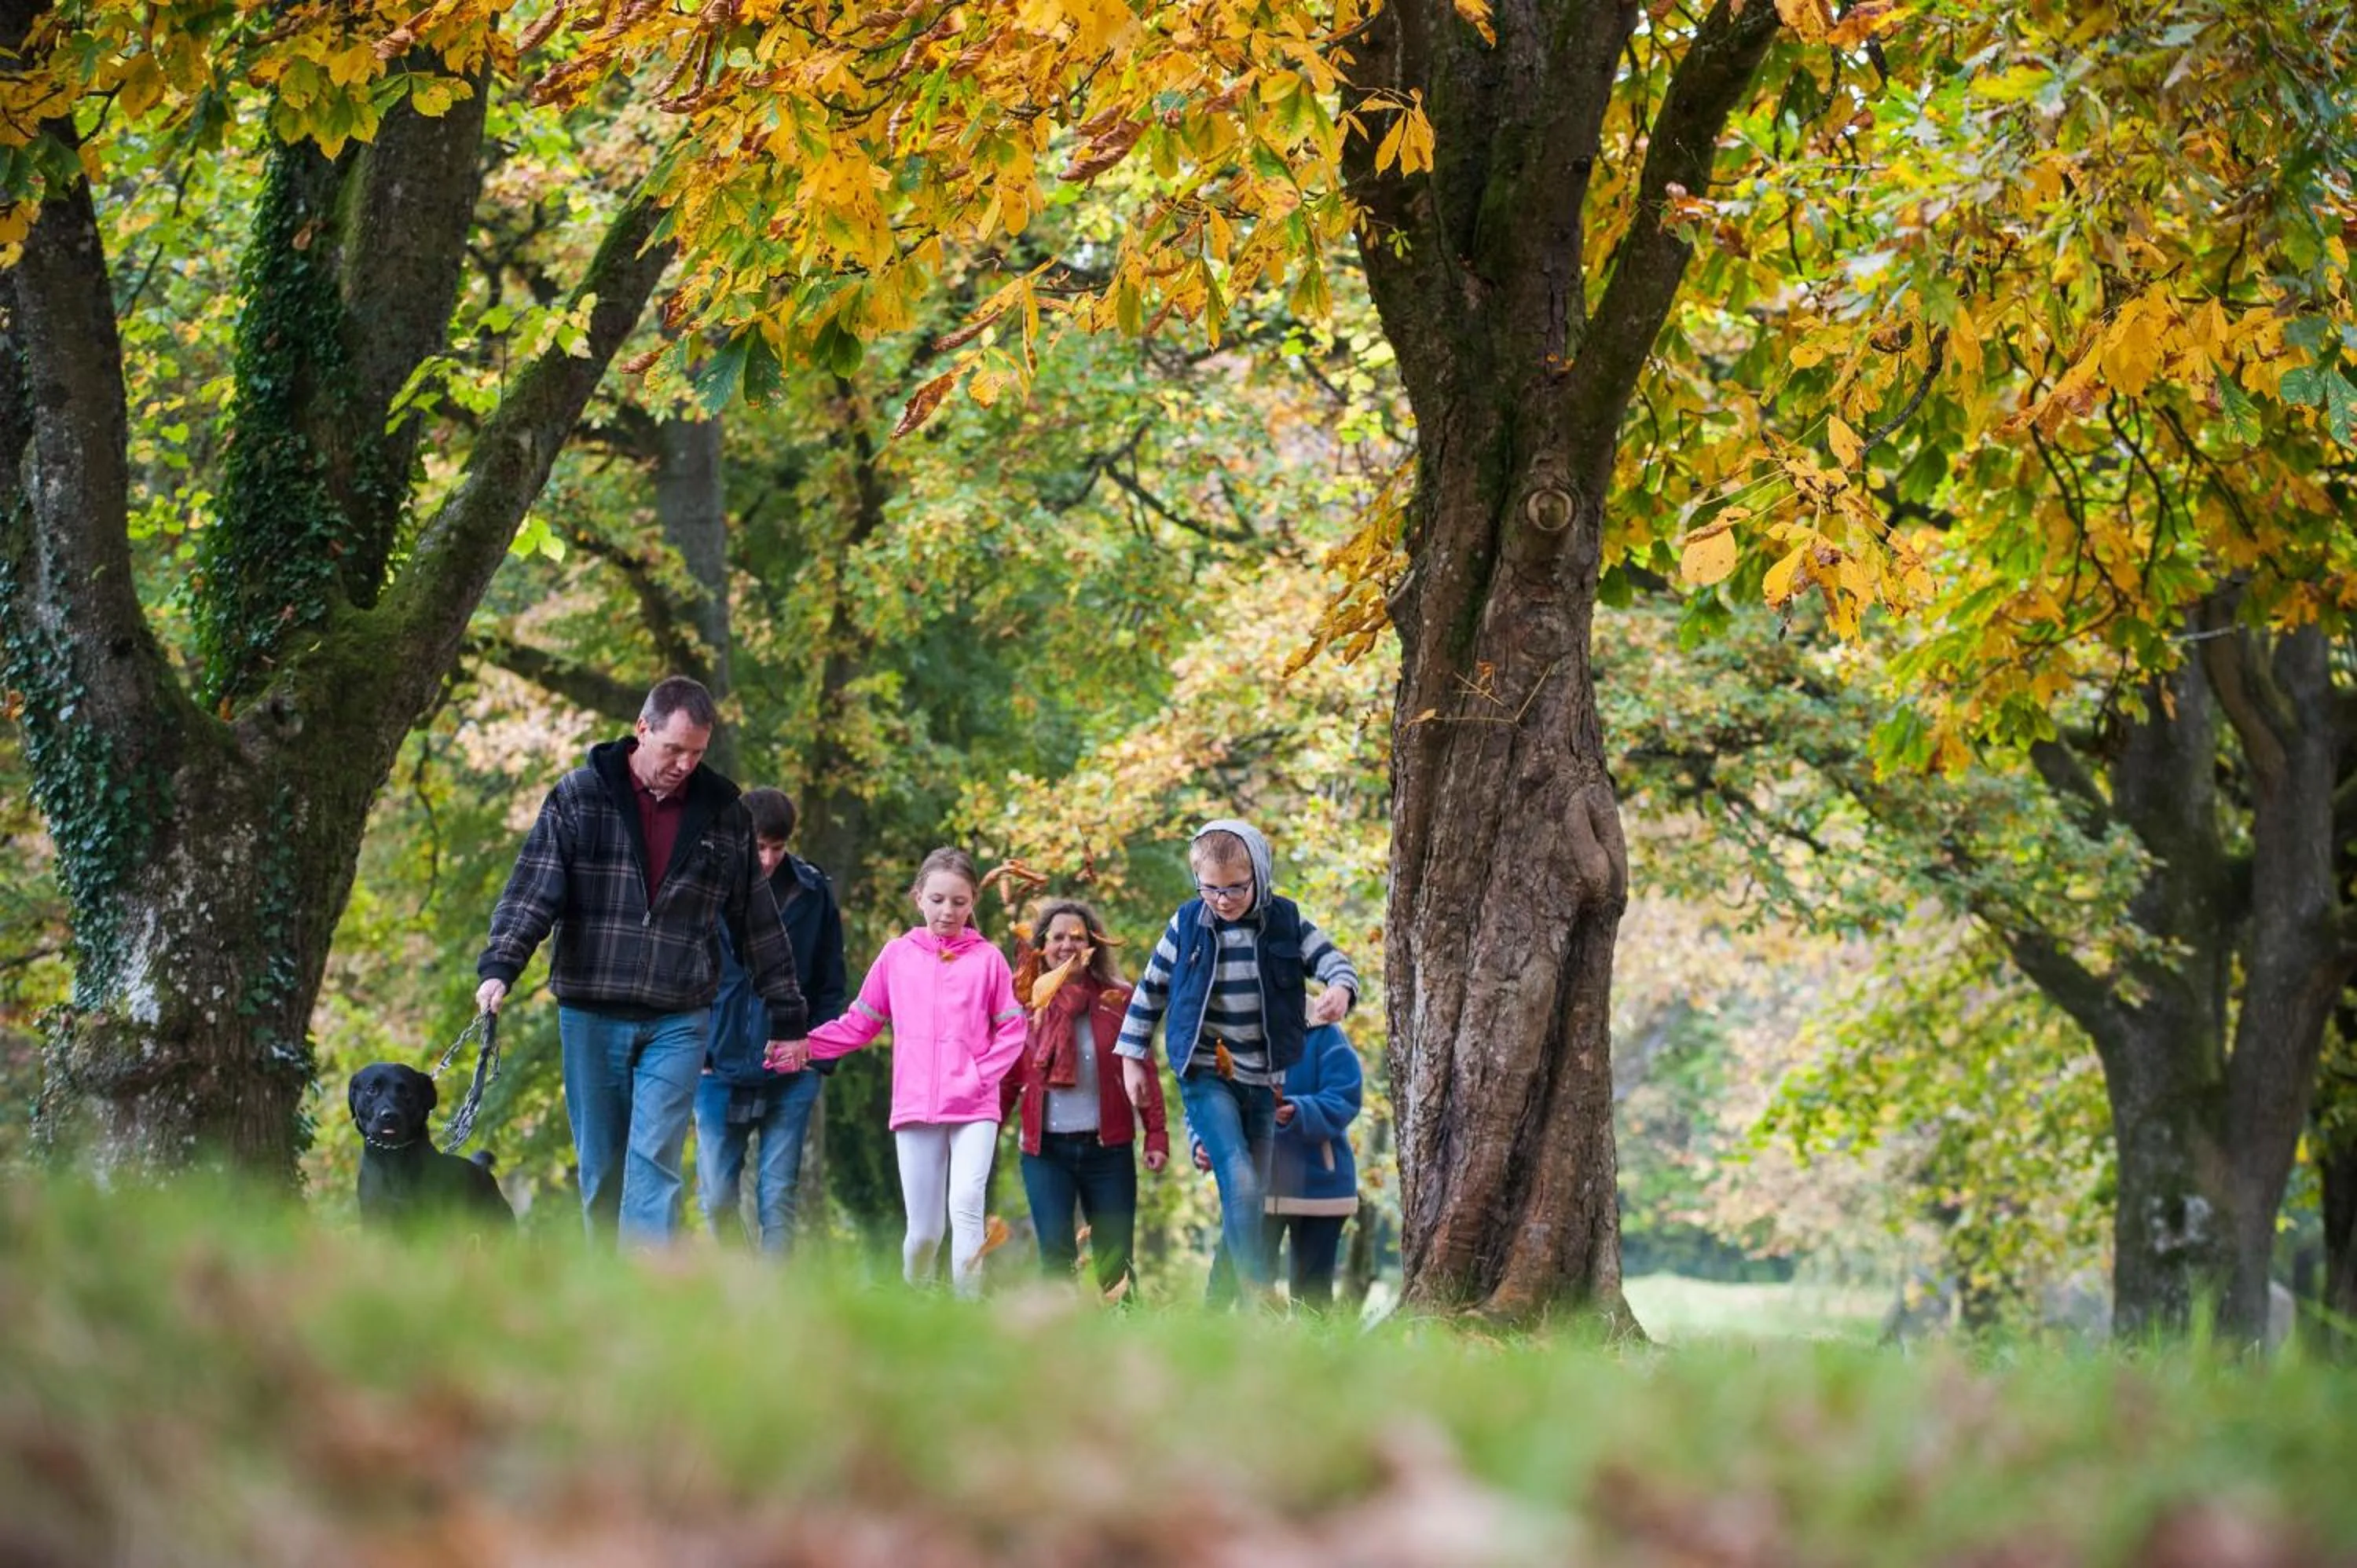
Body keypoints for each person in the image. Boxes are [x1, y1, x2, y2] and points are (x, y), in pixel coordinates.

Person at [474, 676, 808, 1245]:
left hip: (678, 1015)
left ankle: (650, 1285)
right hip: (591, 1007)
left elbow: (757, 921)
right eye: (673, 749)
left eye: (696, 753)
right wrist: (500, 967)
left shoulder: (723, 815)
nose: (683, 764)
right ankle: (608, 1292)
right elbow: (534, 888)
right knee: (603, 1168)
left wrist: (788, 1016)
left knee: (655, 1162)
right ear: (642, 729)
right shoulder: (581, 796)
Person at [1113, 819, 1358, 1302]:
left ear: (1259, 876)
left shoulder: (1285, 920)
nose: (1223, 900)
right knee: (1242, 1183)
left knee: (1251, 1201)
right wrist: (1130, 1058)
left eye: (1235, 889)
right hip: (1204, 1072)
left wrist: (1340, 989)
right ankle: (1259, 1294)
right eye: (1211, 889)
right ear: (1197, 882)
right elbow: (1149, 993)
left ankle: (1218, 1314)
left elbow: (1333, 959)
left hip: (1264, 1077)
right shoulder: (1187, 925)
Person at [770, 848, 1025, 1297]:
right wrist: (806, 1046)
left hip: (974, 1105)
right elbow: (860, 1023)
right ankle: (914, 1300)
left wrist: (978, 1076)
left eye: (960, 902)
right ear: (919, 898)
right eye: (939, 899)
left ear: (972, 905)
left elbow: (1012, 1029)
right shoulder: (896, 956)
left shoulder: (989, 961)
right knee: (924, 1231)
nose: (949, 911)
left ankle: (968, 1315)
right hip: (915, 1106)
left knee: (966, 1205)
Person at [695, 787, 849, 1255]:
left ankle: (774, 1298)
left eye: (776, 848)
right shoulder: (706, 888)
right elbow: (685, 974)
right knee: (716, 1197)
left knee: (777, 1195)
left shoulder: (813, 891)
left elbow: (830, 982)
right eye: (757, 846)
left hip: (792, 1069)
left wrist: (817, 1056)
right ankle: (738, 1289)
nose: (766, 859)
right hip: (715, 1069)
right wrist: (695, 1051)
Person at [999, 899, 1170, 1297]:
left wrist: (1156, 1135)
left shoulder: (1119, 999)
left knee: (1115, 1262)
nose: (1066, 945)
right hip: (1045, 1153)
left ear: (1092, 944)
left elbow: (1143, 1070)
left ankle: (1126, 1344)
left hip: (1107, 1150)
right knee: (1056, 1260)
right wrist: (987, 1127)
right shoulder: (1025, 1004)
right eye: (1057, 937)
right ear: (1043, 945)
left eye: (1077, 937)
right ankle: (1058, 1348)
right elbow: (1009, 1076)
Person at [1197, 1022, 1363, 1312]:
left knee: (1312, 1299)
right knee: (1245, 1291)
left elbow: (1346, 1094)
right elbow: (1207, 1094)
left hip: (1319, 1186)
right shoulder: (1232, 1025)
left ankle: (1312, 1356)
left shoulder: (1326, 1035)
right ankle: (1234, 1352)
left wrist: (1300, 1110)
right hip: (1252, 1187)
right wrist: (1203, 1140)